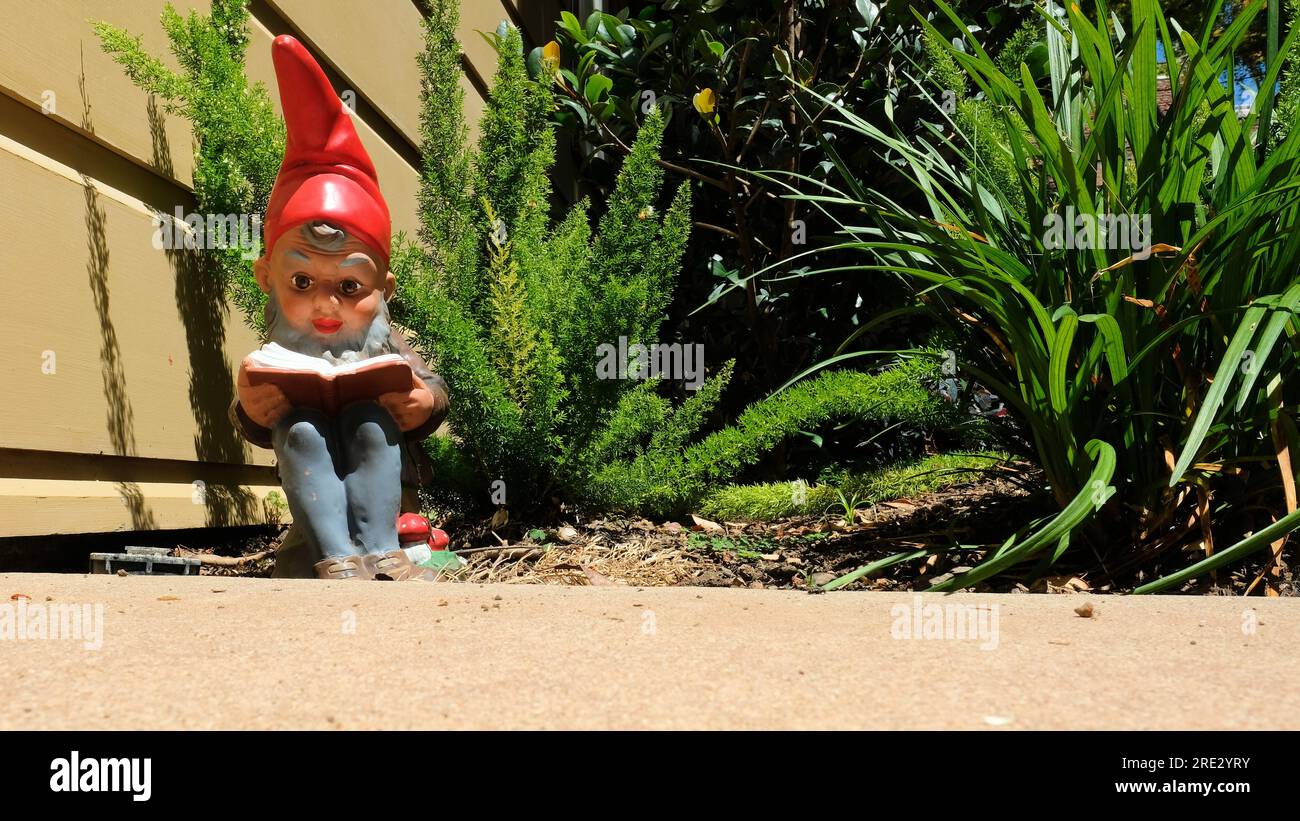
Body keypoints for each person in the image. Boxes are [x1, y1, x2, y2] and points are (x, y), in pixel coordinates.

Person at [229, 35, 449, 581]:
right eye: (302, 281)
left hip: (393, 514)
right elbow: (258, 420)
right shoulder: (281, 351)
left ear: (385, 290)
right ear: (267, 278)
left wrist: (425, 401)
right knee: (300, 432)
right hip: (314, 530)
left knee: (372, 424)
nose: (326, 305)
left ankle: (381, 555)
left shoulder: (385, 342)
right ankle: (335, 557)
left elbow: (430, 384)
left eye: (350, 287)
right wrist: (251, 409)